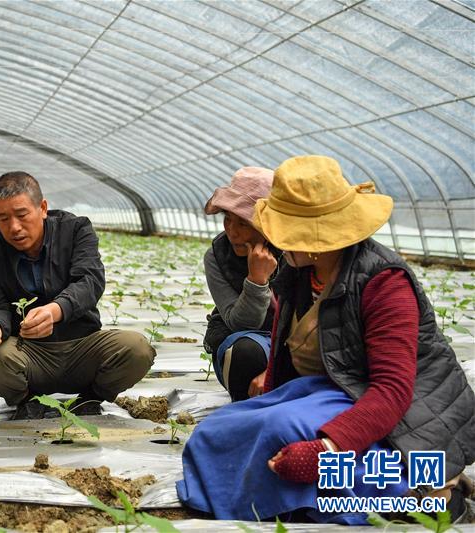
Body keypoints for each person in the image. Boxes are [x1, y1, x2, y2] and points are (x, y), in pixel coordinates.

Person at [176, 155, 475, 524]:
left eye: (283, 229)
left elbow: (393, 390)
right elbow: (282, 357)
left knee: (280, 432)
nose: (274, 237)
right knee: (217, 431)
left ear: (314, 238)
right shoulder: (300, 272)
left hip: (400, 406)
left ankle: (429, 493)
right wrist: (267, 400)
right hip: (331, 389)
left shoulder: (384, 282)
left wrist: (327, 448)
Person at [0, 171, 156, 419]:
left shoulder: (75, 230)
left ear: (43, 208)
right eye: (3, 218)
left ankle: (91, 398)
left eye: (22, 215)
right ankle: (27, 400)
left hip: (82, 348)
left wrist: (55, 310)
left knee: (136, 348)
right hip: (28, 354)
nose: (14, 227)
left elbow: (90, 281)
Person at [202, 167, 280, 401]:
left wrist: (275, 369)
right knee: (246, 352)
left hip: (292, 344)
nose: (232, 232)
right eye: (227, 219)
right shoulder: (217, 255)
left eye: (244, 223)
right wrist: (257, 280)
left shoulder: (295, 252)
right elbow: (241, 324)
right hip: (243, 341)